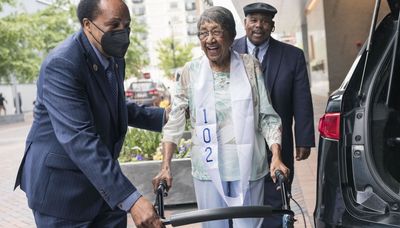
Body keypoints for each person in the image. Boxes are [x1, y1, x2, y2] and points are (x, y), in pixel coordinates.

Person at [14, 0, 165, 227]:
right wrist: (131, 200)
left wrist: (164, 117)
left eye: (127, 25)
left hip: (104, 189)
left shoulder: (114, 56)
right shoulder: (63, 63)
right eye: (114, 25)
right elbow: (79, 137)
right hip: (63, 193)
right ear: (87, 25)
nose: (123, 33)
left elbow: (113, 104)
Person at [153, 6, 289, 228]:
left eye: (216, 31)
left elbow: (267, 117)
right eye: (203, 33)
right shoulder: (191, 71)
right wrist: (165, 165)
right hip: (208, 170)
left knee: (248, 225)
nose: (210, 39)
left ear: (231, 35)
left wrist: (276, 156)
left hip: (249, 167)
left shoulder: (249, 66)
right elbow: (175, 121)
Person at [232, 3, 315, 227]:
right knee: (243, 204)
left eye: (265, 21)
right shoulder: (229, 50)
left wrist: (304, 139)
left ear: (272, 26)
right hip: (240, 143)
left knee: (277, 200)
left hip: (280, 143)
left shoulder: (292, 55)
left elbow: (302, 99)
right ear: (245, 23)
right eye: (254, 20)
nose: (259, 26)